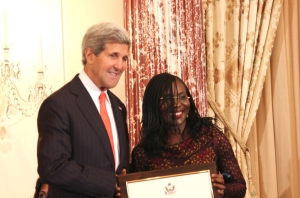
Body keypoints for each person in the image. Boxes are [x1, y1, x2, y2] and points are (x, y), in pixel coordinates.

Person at [37, 22, 131, 198]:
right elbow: (53, 167)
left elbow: (120, 167)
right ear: (90, 55)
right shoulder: (58, 104)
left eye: (124, 58)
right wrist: (110, 183)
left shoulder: (119, 106)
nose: (120, 66)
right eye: (113, 56)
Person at [131, 73, 246, 198]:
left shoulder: (211, 136)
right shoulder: (143, 153)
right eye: (167, 99)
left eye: (182, 97)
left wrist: (223, 190)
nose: (176, 104)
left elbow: (239, 185)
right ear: (153, 105)